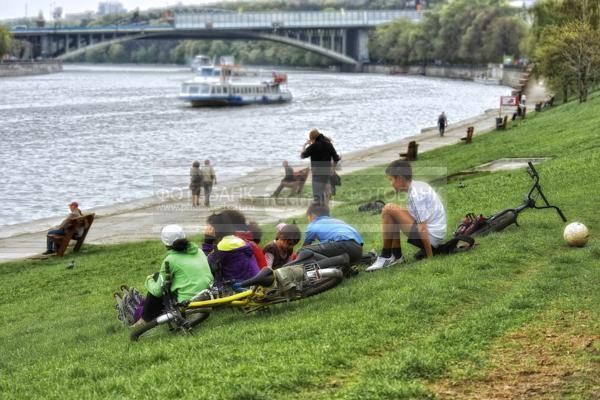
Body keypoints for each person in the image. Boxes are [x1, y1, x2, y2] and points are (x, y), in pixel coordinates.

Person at [366, 160, 447, 272]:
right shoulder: (418, 186)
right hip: (435, 236)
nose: (390, 183)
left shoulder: (415, 194)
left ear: (400, 178)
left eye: (391, 179)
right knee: (390, 211)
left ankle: (386, 256)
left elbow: (422, 227)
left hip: (431, 238)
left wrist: (430, 256)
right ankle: (397, 257)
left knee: (389, 208)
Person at [135, 224, 214, 326]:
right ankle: (143, 310)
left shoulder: (170, 260)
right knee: (167, 280)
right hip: (208, 297)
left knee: (157, 287)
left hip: (187, 304)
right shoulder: (199, 251)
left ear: (166, 243)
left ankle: (144, 320)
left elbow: (157, 291)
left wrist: (149, 280)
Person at [202, 210, 261, 283]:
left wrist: (207, 241)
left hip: (240, 290)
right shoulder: (243, 243)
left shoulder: (222, 248)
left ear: (213, 230)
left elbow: (205, 266)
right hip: (256, 286)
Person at [296, 203, 364, 265]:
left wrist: (295, 257)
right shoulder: (338, 221)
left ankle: (339, 262)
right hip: (358, 250)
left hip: (343, 244)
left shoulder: (313, 224)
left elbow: (305, 247)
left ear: (311, 216)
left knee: (303, 251)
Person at [301, 129, 340, 205]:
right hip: (327, 173)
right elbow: (336, 158)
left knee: (318, 197)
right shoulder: (328, 144)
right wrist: (333, 168)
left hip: (317, 174)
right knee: (327, 194)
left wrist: (305, 145)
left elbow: (302, 155)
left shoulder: (313, 146)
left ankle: (320, 210)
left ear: (313, 138)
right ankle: (326, 209)